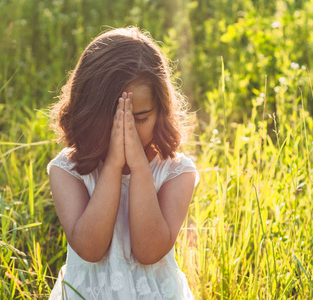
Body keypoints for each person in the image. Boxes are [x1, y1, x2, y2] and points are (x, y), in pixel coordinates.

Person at [47, 27, 198, 299]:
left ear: (161, 110)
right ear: (86, 112)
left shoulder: (177, 172)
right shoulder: (67, 170)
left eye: (139, 118)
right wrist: (113, 166)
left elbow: (149, 251)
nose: (127, 130)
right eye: (114, 120)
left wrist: (139, 167)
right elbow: (90, 249)